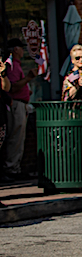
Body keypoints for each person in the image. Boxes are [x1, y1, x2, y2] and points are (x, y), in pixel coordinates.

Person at [2, 41, 33, 179]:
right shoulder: (12, 65)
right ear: (15, 49)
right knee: (15, 137)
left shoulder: (17, 65)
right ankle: (11, 168)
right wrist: (28, 78)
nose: (23, 51)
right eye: (21, 48)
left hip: (20, 104)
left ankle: (15, 167)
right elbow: (12, 87)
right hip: (15, 104)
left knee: (19, 138)